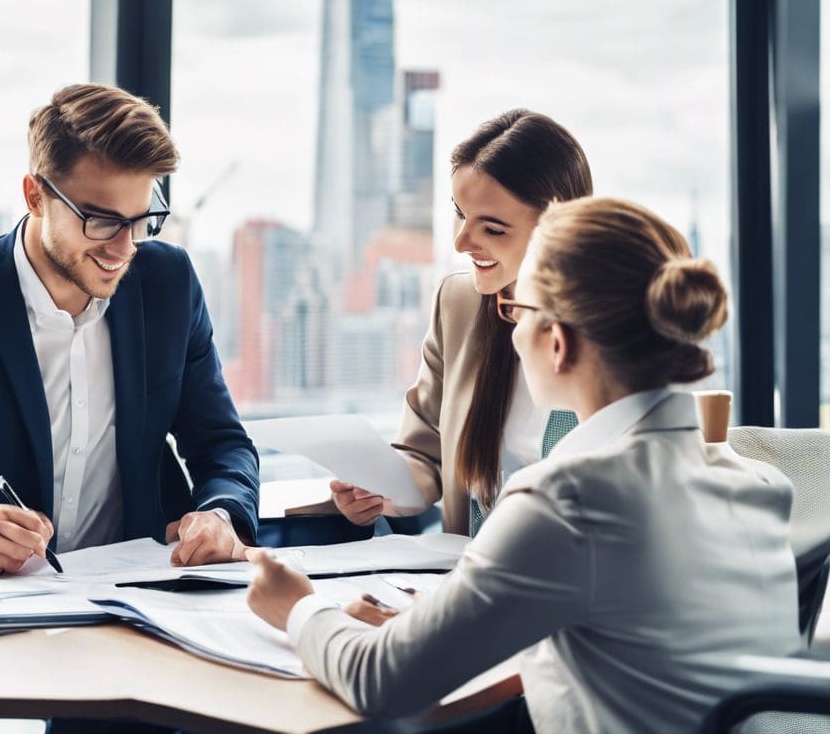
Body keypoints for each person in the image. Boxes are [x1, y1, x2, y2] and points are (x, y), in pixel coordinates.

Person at [247, 197, 801, 732]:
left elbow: (382, 683)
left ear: (556, 342)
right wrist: (442, 627)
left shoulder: (567, 499)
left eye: (516, 310)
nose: (510, 329)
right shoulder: (757, 483)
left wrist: (298, 608)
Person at [0, 83, 258, 577]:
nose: (123, 248)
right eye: (101, 221)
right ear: (35, 196)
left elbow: (222, 444)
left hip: (148, 594)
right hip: (6, 612)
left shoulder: (169, 284)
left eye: (142, 219)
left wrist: (221, 514)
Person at [332, 110, 592, 536]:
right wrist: (381, 490)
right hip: (465, 573)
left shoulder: (614, 325)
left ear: (557, 228)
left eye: (491, 228)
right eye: (460, 214)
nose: (461, 242)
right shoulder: (460, 303)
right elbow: (427, 456)